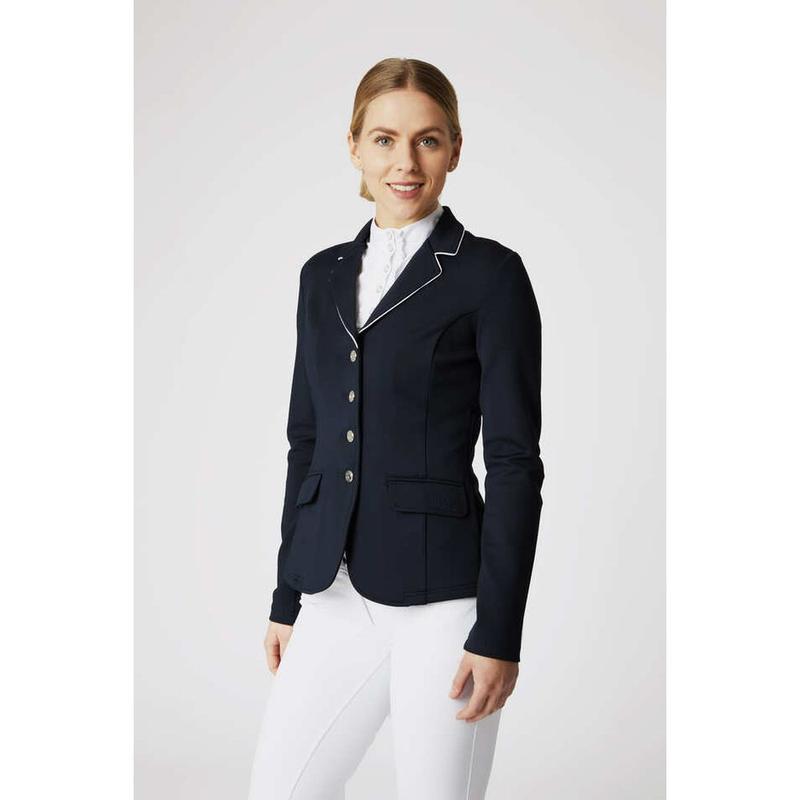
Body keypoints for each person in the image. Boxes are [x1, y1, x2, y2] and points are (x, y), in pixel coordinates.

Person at [247, 57, 544, 800]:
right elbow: (308, 442)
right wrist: (287, 596)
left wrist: (498, 629)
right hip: (334, 595)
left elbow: (514, 462)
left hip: (445, 606)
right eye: (384, 139)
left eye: (427, 140)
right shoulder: (321, 276)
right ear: (354, 146)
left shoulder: (490, 275)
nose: (405, 162)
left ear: (455, 149)